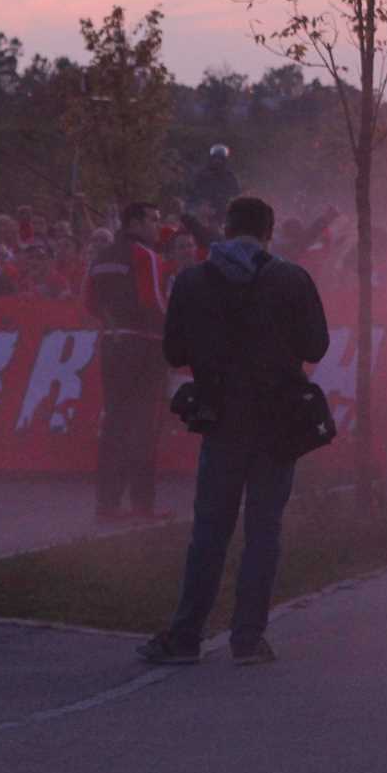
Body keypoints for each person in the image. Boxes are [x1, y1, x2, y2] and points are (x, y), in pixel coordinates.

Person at [139, 195, 329, 665]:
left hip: (221, 418)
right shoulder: (292, 278)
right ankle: (247, 639)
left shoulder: (192, 281)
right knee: (264, 531)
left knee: (210, 530)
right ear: (269, 232)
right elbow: (316, 346)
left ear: (225, 229)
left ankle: (185, 636)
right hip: (278, 421)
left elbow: (174, 352)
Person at [84, 202, 170, 522]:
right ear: (135, 222)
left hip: (112, 343)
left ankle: (106, 504)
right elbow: (154, 302)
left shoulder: (100, 257)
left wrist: (113, 322)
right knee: (144, 425)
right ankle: (142, 505)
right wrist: (176, 331)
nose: (158, 225)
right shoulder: (144, 254)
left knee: (114, 424)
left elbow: (88, 303)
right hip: (145, 345)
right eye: (153, 219)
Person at [186, 143, 242, 214]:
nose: (217, 161)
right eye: (215, 158)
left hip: (222, 209)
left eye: (220, 159)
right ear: (211, 159)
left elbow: (236, 193)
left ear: (224, 160)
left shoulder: (229, 176)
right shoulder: (201, 174)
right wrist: (200, 204)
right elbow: (193, 192)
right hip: (203, 208)